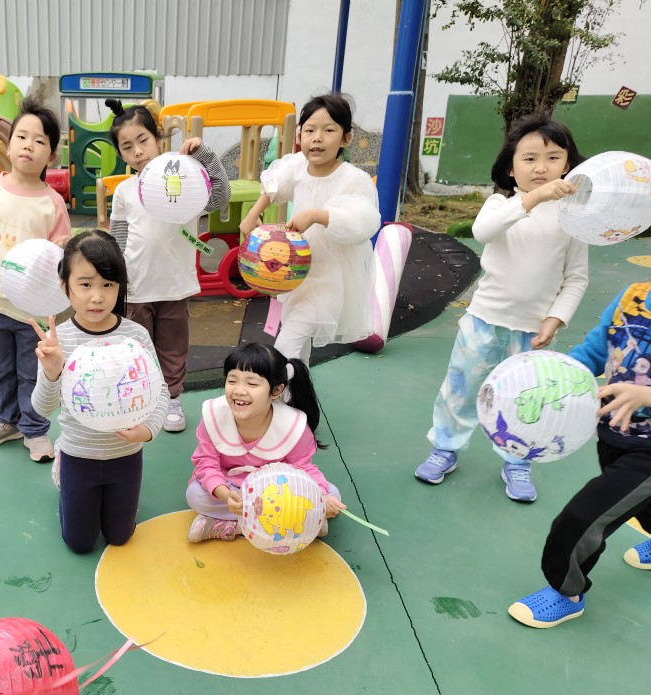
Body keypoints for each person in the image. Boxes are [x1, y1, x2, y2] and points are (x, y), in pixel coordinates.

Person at [414, 114, 588, 503]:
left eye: (553, 158)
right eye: (529, 158)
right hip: (483, 321)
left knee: (526, 401)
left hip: (533, 333)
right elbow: (483, 232)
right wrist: (533, 199)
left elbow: (576, 278)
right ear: (510, 168)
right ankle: (445, 447)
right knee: (461, 390)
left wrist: (555, 318)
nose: (541, 168)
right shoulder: (499, 204)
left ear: (568, 166)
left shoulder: (573, 219)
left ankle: (517, 460)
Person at [509, 282, 651, 628]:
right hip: (614, 433)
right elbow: (596, 349)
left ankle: (566, 592)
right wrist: (559, 377)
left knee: (583, 517)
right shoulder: (632, 295)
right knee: (640, 502)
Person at [30, 230, 168, 553]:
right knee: (79, 542)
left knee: (120, 536)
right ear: (65, 286)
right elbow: (42, 408)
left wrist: (148, 430)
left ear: (120, 287)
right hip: (78, 455)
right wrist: (52, 373)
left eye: (108, 285)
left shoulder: (136, 335)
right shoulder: (58, 340)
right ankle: (64, 480)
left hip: (126, 455)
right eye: (85, 284)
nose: (97, 297)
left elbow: (160, 390)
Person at [106, 98, 231, 433]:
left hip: (175, 285)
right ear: (121, 154)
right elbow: (119, 237)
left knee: (173, 348)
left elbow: (221, 196)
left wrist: (204, 156)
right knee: (136, 347)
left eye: (143, 140)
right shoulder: (124, 190)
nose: (137, 152)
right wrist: (116, 279)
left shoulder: (186, 178)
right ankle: (142, 398)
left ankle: (172, 398)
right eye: (127, 147)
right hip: (136, 286)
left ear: (158, 138)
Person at [0, 96, 72, 463]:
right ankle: (5, 421)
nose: (28, 145)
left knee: (31, 372)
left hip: (32, 310)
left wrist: (59, 251)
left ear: (51, 156)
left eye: (39, 141)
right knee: (1, 371)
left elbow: (61, 254)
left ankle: (35, 429)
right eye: (22, 137)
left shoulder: (51, 202)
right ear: (8, 145)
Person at [239, 93, 380, 362]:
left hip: (329, 279)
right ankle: (299, 388)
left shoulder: (353, 180)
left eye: (328, 131)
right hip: (294, 275)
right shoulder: (297, 167)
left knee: (285, 348)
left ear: (346, 138)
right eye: (310, 130)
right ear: (299, 135)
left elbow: (362, 222)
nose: (317, 138)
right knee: (297, 352)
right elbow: (274, 184)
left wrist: (317, 215)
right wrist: (253, 214)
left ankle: (280, 385)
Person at [186, 342, 345, 542]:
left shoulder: (292, 425)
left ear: (276, 391)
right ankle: (298, 522)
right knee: (195, 494)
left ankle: (230, 525)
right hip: (233, 487)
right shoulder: (214, 416)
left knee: (332, 494)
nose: (239, 390)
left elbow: (304, 469)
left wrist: (322, 498)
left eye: (252, 384)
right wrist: (225, 494)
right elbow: (206, 463)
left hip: (277, 491)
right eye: (232, 380)